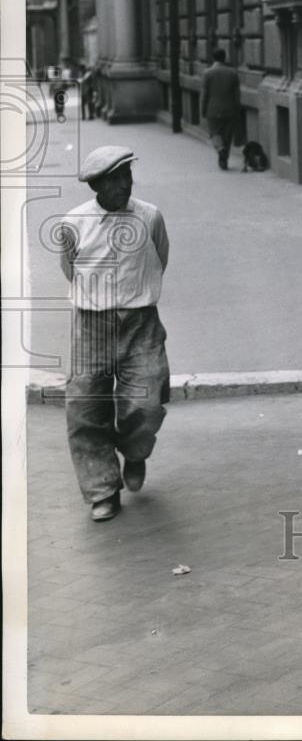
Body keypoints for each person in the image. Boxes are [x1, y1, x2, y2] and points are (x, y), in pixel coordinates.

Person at [58, 146, 171, 522]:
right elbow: (69, 267)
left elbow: (160, 258)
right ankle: (102, 490)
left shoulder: (150, 216)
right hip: (91, 325)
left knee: (148, 399)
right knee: (86, 407)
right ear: (97, 185)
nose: (125, 184)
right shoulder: (73, 223)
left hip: (141, 321)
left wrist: (134, 295)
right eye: (116, 178)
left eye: (128, 175)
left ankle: (135, 453)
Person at [201, 48, 241, 170]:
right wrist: (237, 109)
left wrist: (203, 109)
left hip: (213, 109)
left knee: (215, 133)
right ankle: (224, 161)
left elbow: (204, 94)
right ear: (225, 58)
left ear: (213, 58)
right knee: (227, 137)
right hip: (230, 109)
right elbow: (237, 94)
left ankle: (220, 149)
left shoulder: (207, 73)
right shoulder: (233, 73)